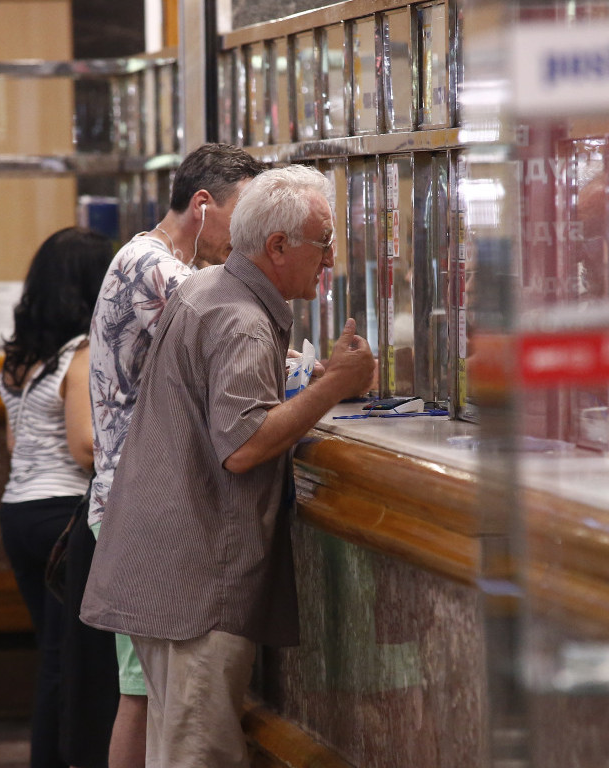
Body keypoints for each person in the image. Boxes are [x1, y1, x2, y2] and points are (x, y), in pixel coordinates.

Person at [80, 164, 375, 767]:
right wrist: (334, 386)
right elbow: (241, 446)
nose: (330, 260)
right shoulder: (239, 318)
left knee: (171, 743)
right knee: (198, 752)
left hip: (160, 568)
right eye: (323, 245)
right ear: (277, 246)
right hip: (194, 582)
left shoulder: (203, 289)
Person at [75, 142, 266, 768]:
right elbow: (231, 336)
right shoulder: (163, 271)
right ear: (203, 205)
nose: (247, 241)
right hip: (139, 510)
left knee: (145, 693)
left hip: (127, 503)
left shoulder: (142, 256)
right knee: (145, 698)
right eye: (243, 218)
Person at [0, 227, 112, 768]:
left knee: (51, 653)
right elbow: (85, 446)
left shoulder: (21, 360)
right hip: (60, 513)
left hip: (17, 511)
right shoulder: (82, 353)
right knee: (69, 660)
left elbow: (17, 441)